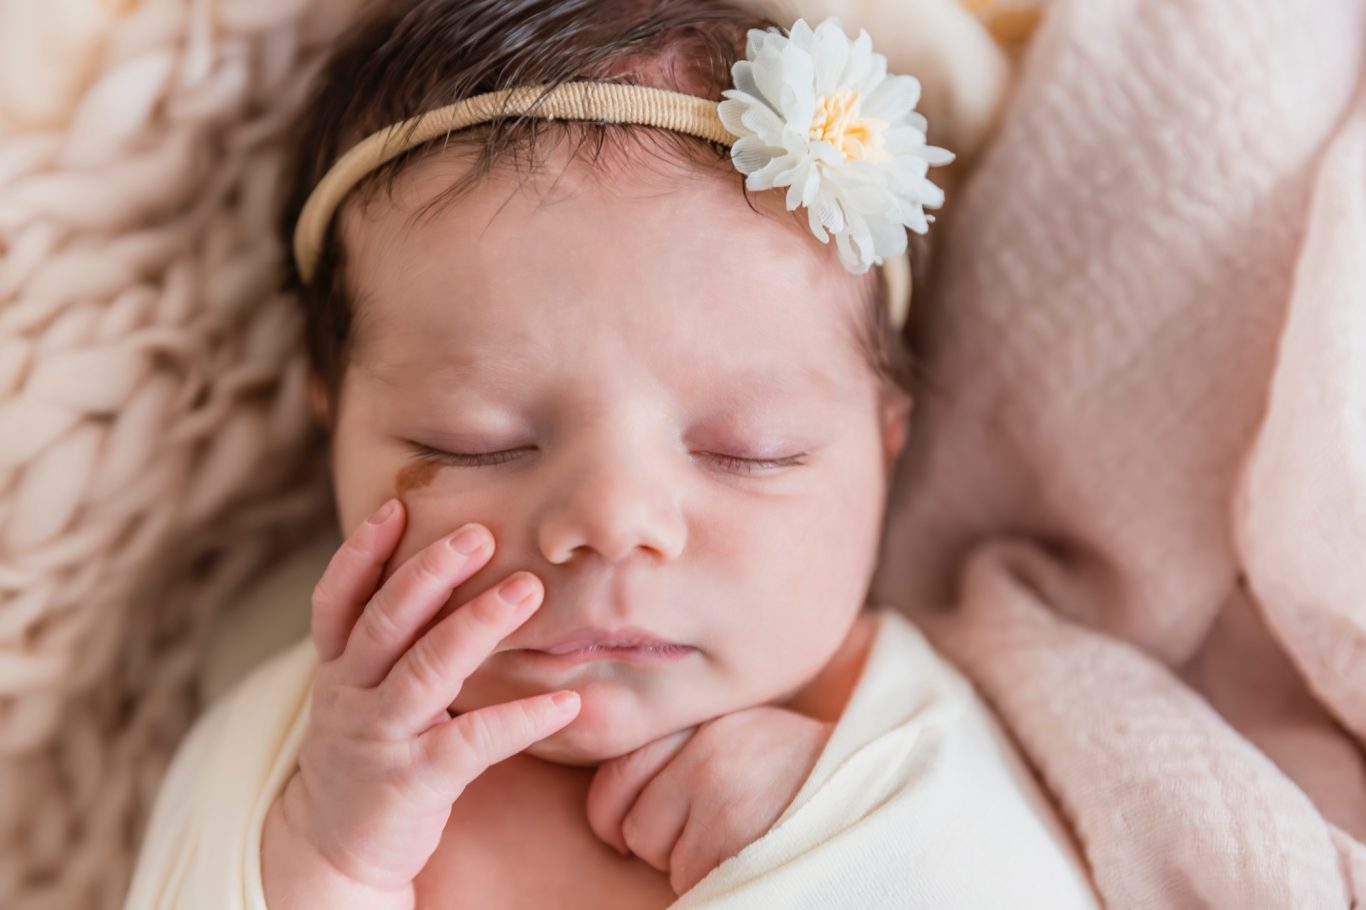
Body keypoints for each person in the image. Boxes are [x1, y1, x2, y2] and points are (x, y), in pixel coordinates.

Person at [124, 1, 1100, 907]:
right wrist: (326, 858)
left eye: (748, 450)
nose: (612, 519)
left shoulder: (898, 749)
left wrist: (845, 854)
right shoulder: (293, 755)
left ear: (885, 450)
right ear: (328, 421)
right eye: (474, 442)